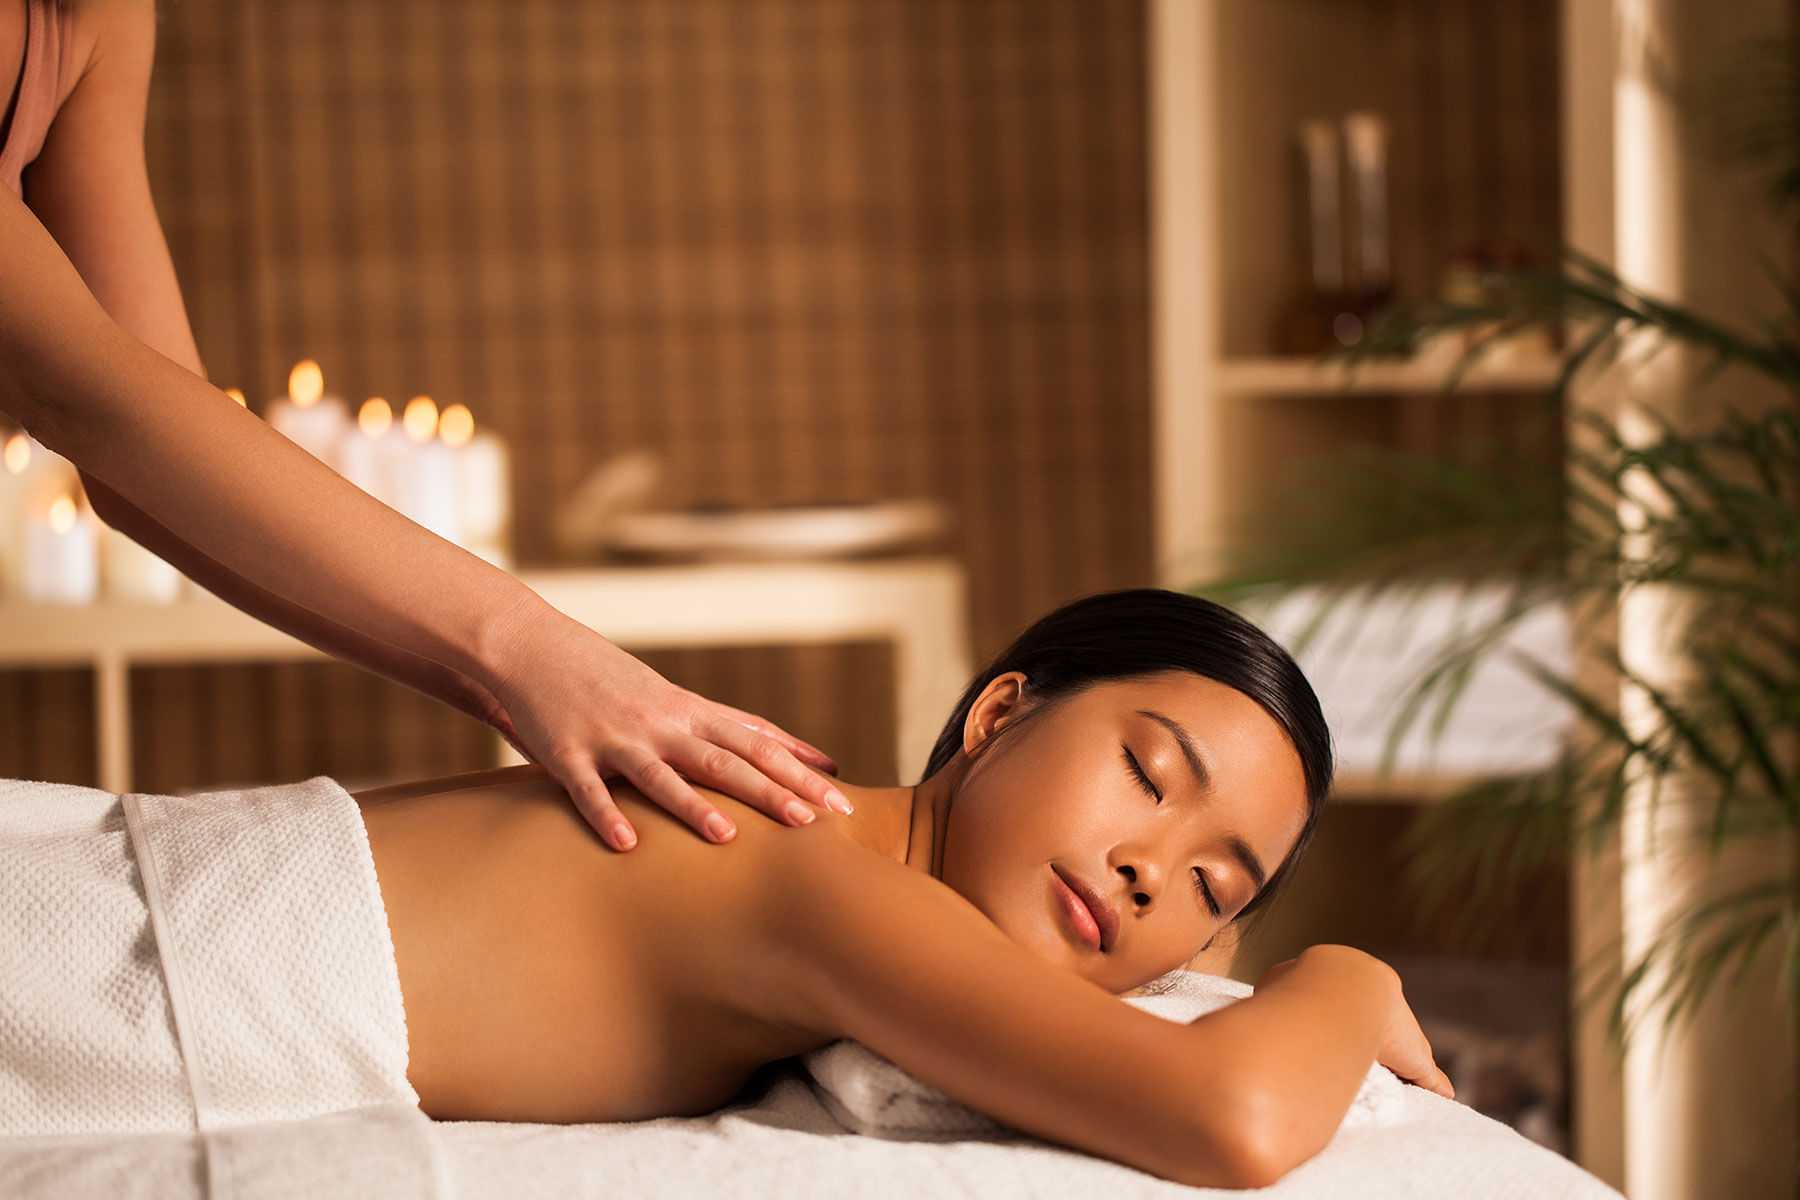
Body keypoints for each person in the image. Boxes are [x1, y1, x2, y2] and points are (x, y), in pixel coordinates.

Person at [0, 0, 847, 849]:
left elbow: (151, 475)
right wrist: (524, 649)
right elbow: (84, 394)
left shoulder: (105, 16)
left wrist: (509, 686)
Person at [353, 589, 1453, 1189]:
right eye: (1146, 775)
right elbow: (1235, 1118)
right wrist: (1349, 973)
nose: (1149, 872)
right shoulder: (811, 869)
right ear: (999, 713)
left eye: (1213, 891)